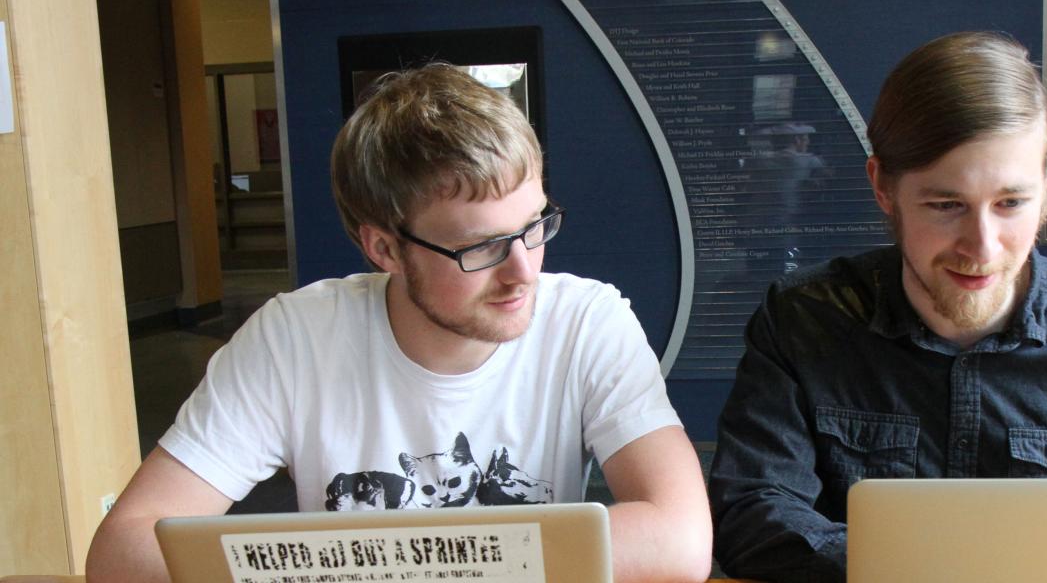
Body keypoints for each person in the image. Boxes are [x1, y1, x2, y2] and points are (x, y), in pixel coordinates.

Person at [87, 64, 711, 583]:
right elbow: (122, 554)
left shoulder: (588, 321)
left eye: (535, 226)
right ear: (385, 250)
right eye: (482, 248)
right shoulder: (294, 338)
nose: (524, 272)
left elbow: (680, 540)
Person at [708, 32, 1047, 582]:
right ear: (883, 187)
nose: (981, 248)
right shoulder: (803, 320)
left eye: (1011, 203)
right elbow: (752, 513)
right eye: (946, 205)